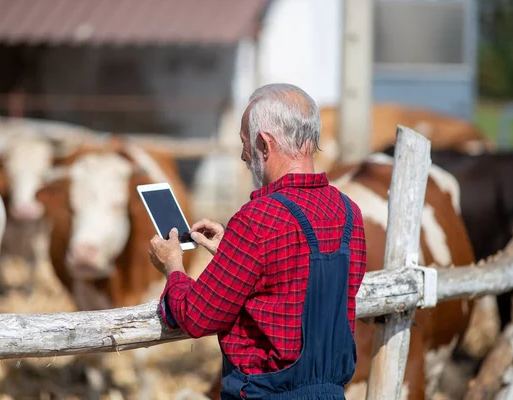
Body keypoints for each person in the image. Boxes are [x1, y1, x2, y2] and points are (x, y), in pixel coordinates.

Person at [149, 83, 367, 399]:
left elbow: (198, 316)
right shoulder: (349, 212)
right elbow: (299, 286)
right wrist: (231, 252)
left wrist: (173, 267)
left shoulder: (258, 219)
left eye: (244, 143)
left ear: (264, 144)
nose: (242, 156)